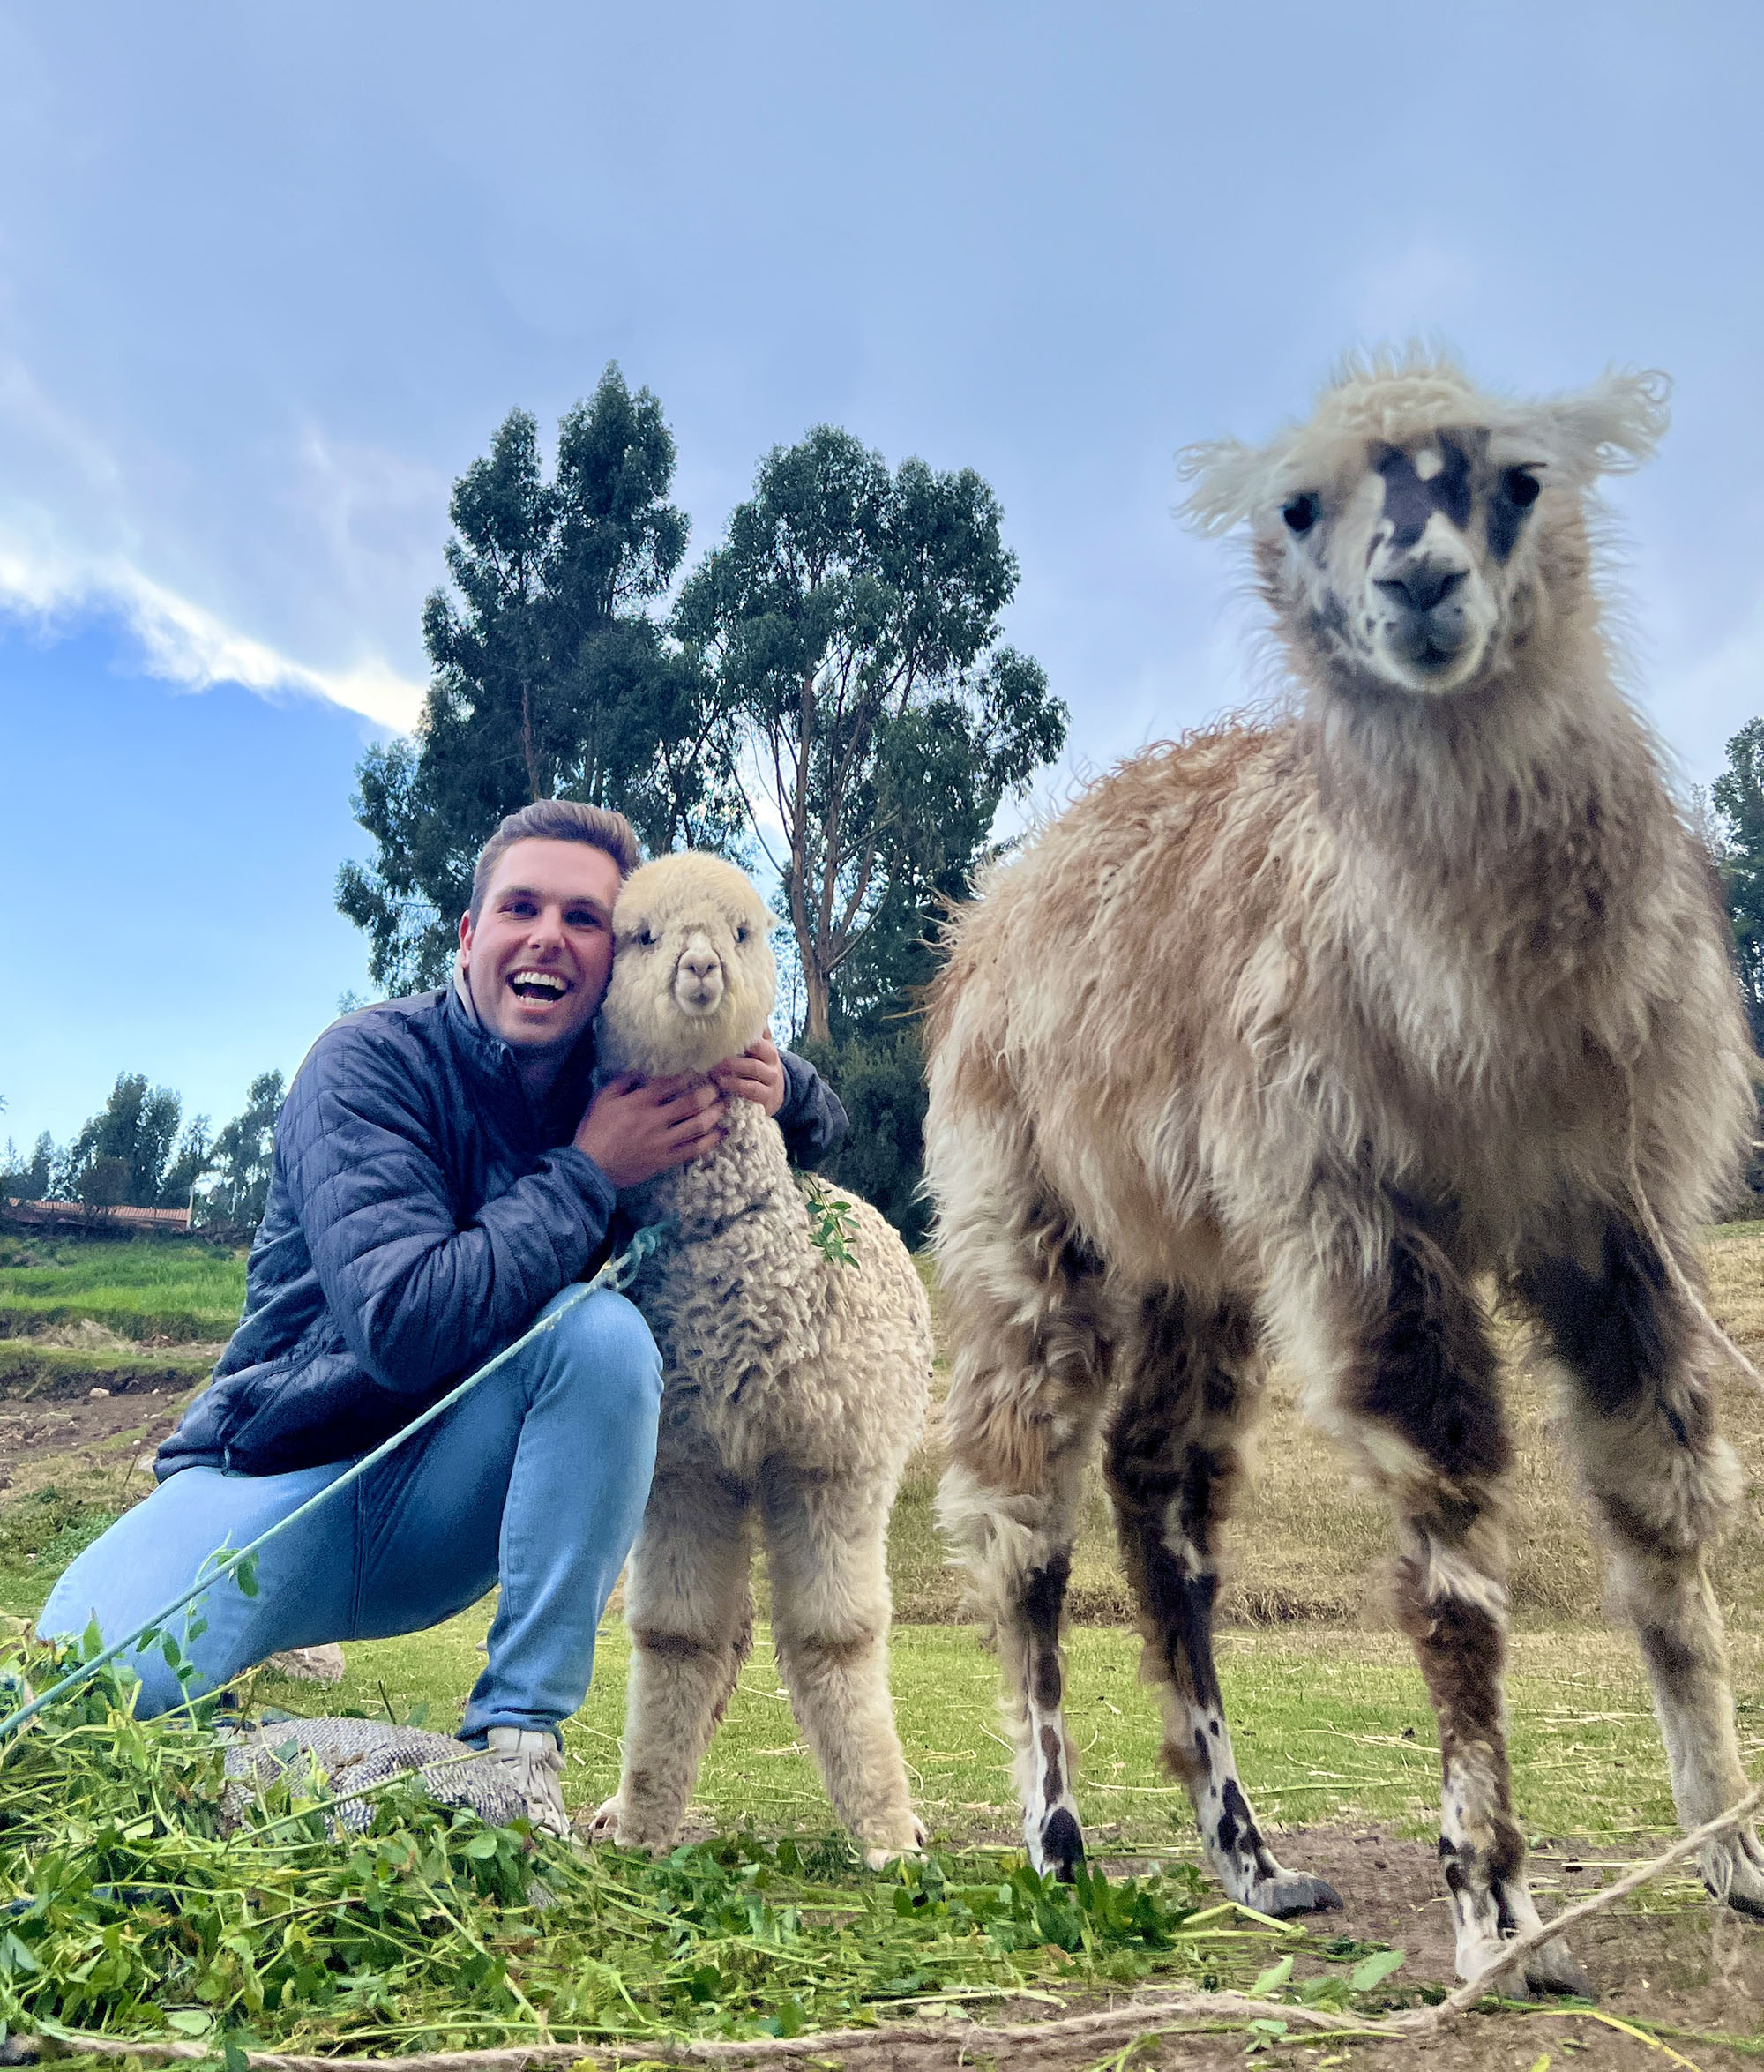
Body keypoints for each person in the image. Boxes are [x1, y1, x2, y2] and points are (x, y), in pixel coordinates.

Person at [40, 800, 848, 1834]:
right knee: (67, 1708)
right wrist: (588, 1173)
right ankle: (264, 1712)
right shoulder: (365, 1065)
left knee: (600, 1342)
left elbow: (789, 1136)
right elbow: (403, 1323)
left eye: (583, 918)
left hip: (442, 1508)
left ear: (611, 962)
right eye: (520, 907)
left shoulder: (627, 1082)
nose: (548, 935)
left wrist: (793, 1092)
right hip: (277, 1482)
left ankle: (515, 1751)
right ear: (470, 938)